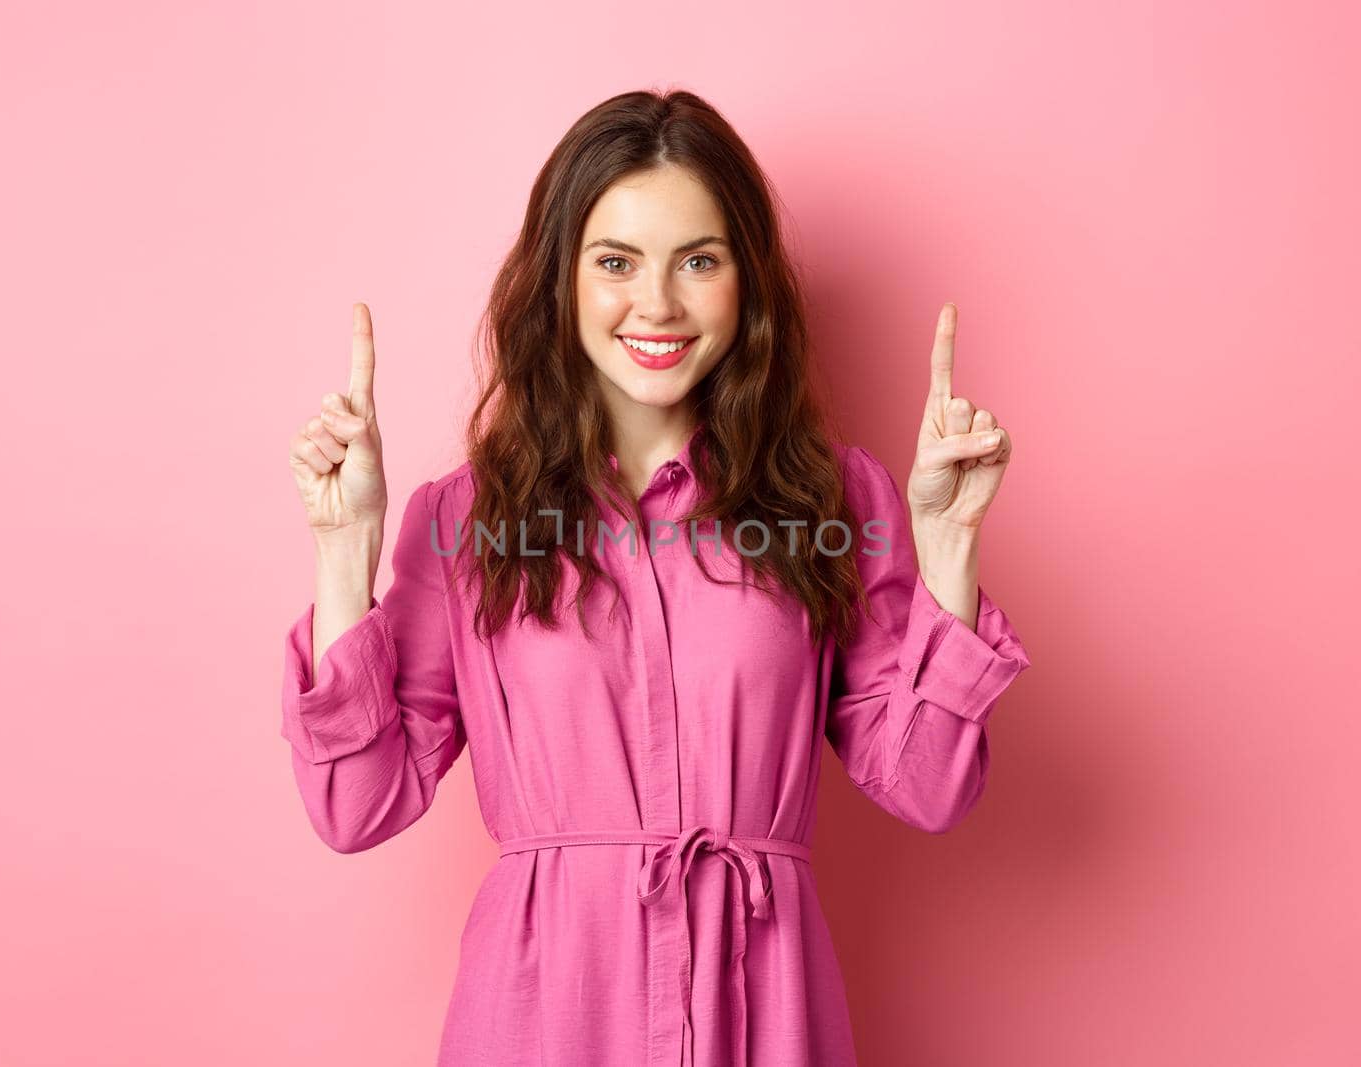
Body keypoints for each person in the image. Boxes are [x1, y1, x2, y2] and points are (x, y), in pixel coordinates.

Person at [281, 89, 1032, 1067]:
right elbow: (356, 804)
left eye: (699, 260)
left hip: (762, 1013)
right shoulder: (466, 519)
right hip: (544, 1018)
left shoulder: (836, 499)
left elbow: (930, 788)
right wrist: (345, 550)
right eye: (616, 262)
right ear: (563, 280)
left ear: (746, 282)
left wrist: (947, 549)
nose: (658, 305)